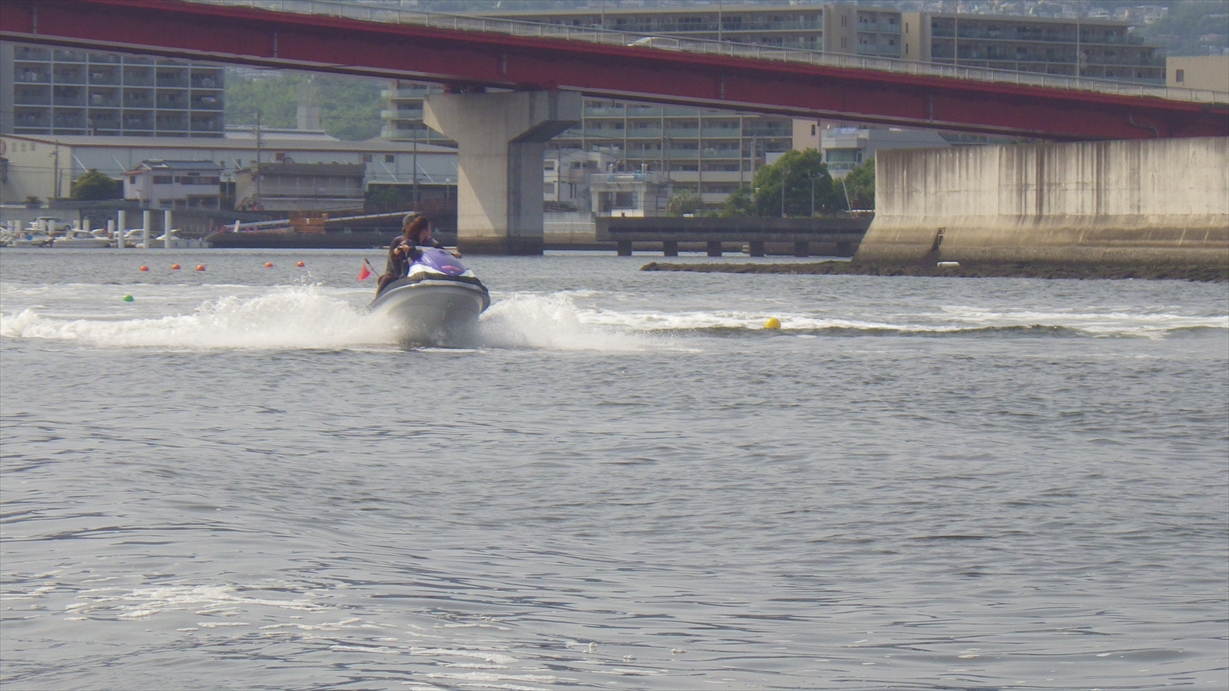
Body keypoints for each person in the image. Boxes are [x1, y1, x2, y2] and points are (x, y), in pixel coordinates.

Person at [377, 214, 457, 294]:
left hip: (425, 272)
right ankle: (377, 301)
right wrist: (400, 249)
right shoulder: (404, 241)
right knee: (387, 279)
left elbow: (441, 251)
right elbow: (394, 256)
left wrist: (452, 255)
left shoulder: (431, 242)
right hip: (406, 272)